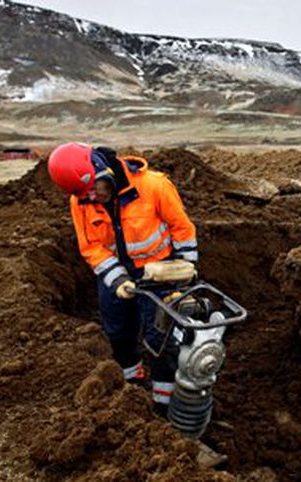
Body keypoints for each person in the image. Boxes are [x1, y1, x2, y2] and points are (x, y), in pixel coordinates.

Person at [47, 143, 198, 417]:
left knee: (161, 341)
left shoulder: (154, 186)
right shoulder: (81, 200)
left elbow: (182, 228)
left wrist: (185, 269)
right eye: (85, 194)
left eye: (94, 188)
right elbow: (91, 247)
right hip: (116, 274)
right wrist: (117, 280)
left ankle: (164, 406)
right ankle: (132, 386)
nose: (92, 197)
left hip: (158, 271)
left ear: (101, 169)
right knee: (117, 332)